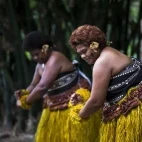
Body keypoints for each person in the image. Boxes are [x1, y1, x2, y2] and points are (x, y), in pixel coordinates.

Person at [14, 31, 101, 142]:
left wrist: (25, 102)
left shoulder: (55, 58)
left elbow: (42, 86)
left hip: (73, 103)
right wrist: (24, 93)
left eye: (36, 54)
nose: (35, 57)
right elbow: (34, 84)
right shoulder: (40, 65)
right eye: (32, 55)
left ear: (45, 48)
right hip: (53, 105)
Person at [69, 24, 142, 142]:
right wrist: (83, 100)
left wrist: (78, 115)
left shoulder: (102, 62)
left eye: (84, 51)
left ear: (94, 45)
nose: (83, 56)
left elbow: (96, 102)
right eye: (79, 54)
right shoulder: (111, 52)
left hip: (133, 117)